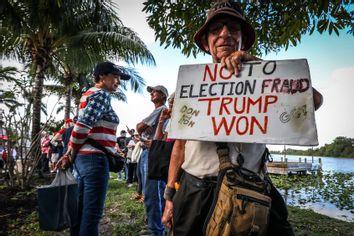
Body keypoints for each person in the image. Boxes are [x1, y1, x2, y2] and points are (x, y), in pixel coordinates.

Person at [161, 1, 323, 236]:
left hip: (252, 189)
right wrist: (169, 197)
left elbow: (314, 101)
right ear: (207, 44)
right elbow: (179, 145)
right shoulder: (187, 90)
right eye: (215, 30)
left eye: (232, 29)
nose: (224, 34)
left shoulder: (266, 81)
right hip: (196, 191)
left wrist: (256, 64)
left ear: (242, 40)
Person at [56, 61, 131, 236]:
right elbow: (82, 125)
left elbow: (80, 126)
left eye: (120, 78)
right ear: (102, 76)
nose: (118, 81)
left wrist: (71, 153)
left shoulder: (87, 95)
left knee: (80, 214)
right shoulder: (101, 95)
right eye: (115, 76)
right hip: (94, 160)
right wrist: (69, 152)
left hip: (84, 160)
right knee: (91, 216)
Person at [136, 85, 169, 236]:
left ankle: (156, 230)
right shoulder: (160, 111)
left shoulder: (160, 110)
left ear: (163, 95)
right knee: (157, 190)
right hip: (153, 151)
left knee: (151, 192)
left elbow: (139, 127)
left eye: (155, 91)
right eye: (151, 92)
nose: (152, 93)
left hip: (152, 152)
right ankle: (157, 226)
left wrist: (143, 127)